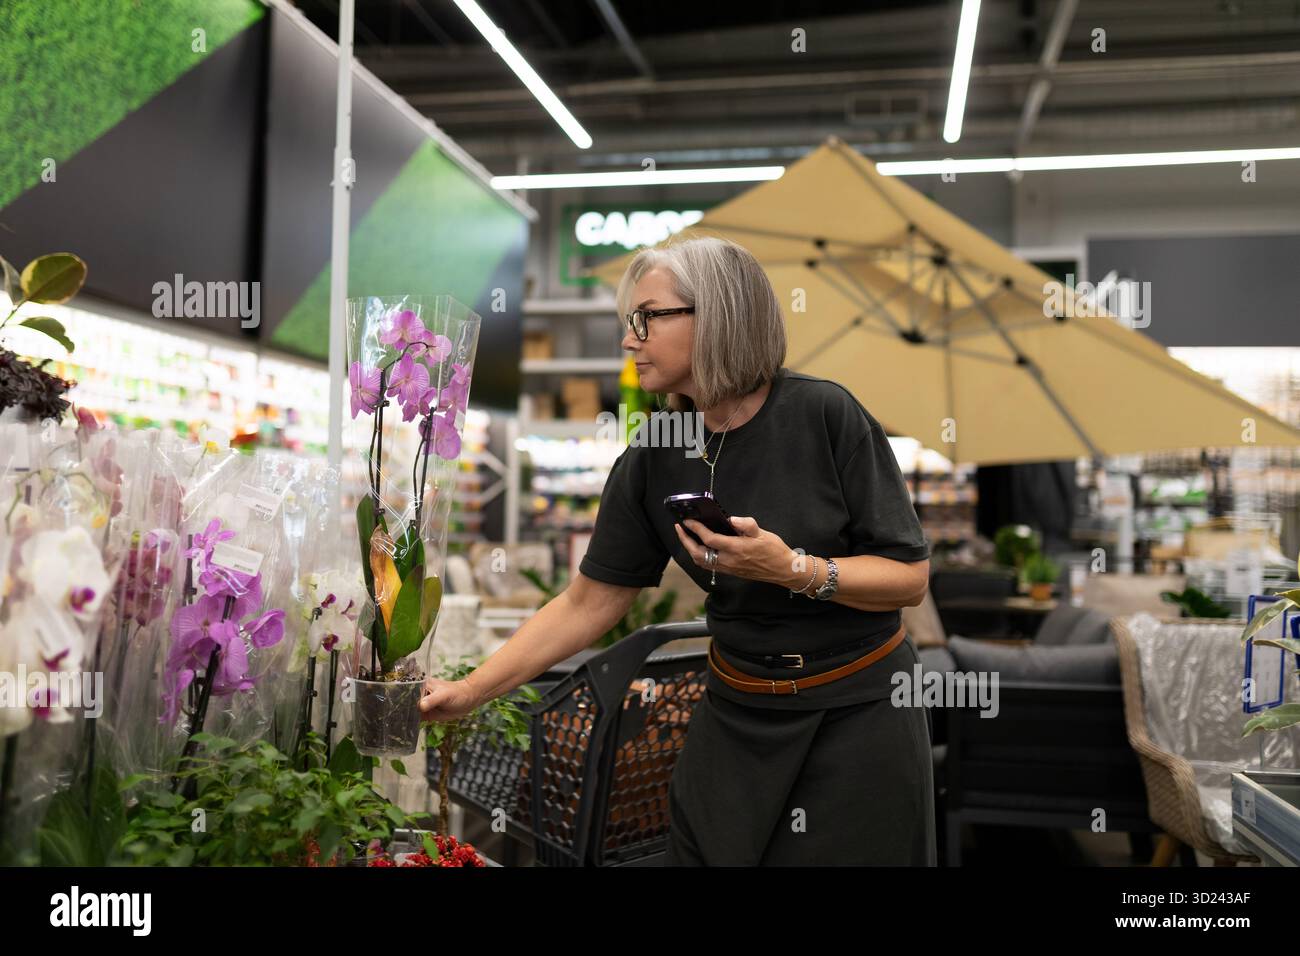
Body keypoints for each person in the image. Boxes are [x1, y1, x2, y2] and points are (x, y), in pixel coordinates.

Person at [420, 235, 936, 865]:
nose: (629, 339)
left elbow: (908, 577)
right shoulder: (655, 450)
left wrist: (795, 570)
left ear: (717, 316)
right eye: (628, 322)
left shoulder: (825, 415)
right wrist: (471, 690)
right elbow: (589, 601)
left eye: (647, 317)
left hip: (857, 714)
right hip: (737, 712)